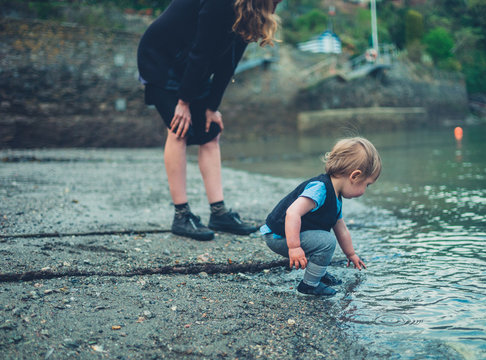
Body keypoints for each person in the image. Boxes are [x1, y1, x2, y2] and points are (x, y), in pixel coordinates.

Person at [137, 0, 280, 241]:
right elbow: (201, 51)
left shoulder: (250, 11)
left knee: (211, 131)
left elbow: (229, 61)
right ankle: (181, 216)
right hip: (162, 59)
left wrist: (212, 107)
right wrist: (183, 102)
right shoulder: (220, 3)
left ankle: (219, 213)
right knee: (179, 128)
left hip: (191, 64)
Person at [261, 137, 381, 296]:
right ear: (354, 176)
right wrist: (294, 247)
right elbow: (292, 212)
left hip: (291, 234)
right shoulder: (320, 189)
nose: (365, 190)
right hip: (279, 236)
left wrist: (351, 254)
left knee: (324, 238)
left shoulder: (336, 196)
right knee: (326, 242)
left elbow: (341, 228)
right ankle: (309, 285)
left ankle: (317, 271)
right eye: (367, 184)